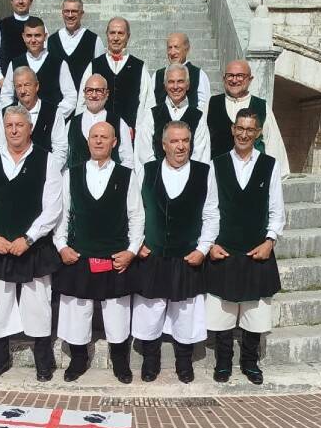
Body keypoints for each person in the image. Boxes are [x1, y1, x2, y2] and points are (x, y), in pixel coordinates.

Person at [53, 122, 144, 385]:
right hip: (79, 254)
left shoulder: (127, 175)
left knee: (116, 312)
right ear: (88, 141)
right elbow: (63, 214)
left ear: (115, 142)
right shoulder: (72, 174)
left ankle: (120, 360)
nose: (99, 141)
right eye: (95, 136)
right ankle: (78, 359)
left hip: (115, 255)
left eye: (105, 137)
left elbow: (136, 217)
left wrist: (131, 251)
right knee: (76, 311)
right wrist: (61, 246)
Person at [0, 106, 63, 382]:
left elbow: (53, 206)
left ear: (29, 127)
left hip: (34, 245)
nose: (14, 130)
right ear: (3, 128)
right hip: (0, 244)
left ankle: (43, 360)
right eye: (9, 126)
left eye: (20, 125)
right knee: (0, 304)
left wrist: (29, 237)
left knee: (38, 303)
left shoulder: (46, 159)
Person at [134, 121, 218, 383]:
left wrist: (203, 249)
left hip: (187, 254)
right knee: (151, 309)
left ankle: (184, 362)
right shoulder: (147, 170)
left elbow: (212, 214)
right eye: (175, 141)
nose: (181, 146)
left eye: (185, 141)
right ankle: (150, 360)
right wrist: (137, 243)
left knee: (186, 311)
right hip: (153, 252)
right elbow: (134, 211)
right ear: (163, 145)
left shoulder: (205, 172)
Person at [207, 108, 285, 386]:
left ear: (258, 133)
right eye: (240, 128)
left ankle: (250, 363)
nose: (243, 133)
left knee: (255, 312)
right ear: (232, 129)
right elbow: (209, 209)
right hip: (224, 248)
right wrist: (210, 244)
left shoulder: (269, 165)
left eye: (250, 129)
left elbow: (276, 209)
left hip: (257, 250)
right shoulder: (215, 164)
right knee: (222, 312)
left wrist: (270, 240)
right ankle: (223, 362)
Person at [206, 60, 289, 177]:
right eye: (230, 76)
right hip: (219, 176)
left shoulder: (261, 107)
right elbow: (202, 142)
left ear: (250, 79)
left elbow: (273, 143)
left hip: (253, 176)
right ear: (224, 78)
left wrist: (277, 176)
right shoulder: (211, 104)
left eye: (240, 76)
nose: (234, 80)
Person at [77, 17, 153, 132]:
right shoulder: (94, 65)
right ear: (107, 35)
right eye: (112, 33)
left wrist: (139, 131)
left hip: (129, 135)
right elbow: (82, 102)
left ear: (128, 36)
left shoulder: (139, 66)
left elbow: (147, 103)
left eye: (121, 33)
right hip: (98, 136)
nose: (116, 38)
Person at [0, 17, 78, 118]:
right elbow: (6, 95)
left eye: (37, 35)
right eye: (29, 36)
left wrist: (54, 117)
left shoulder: (59, 63)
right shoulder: (14, 63)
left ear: (45, 36)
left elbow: (70, 97)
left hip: (49, 125)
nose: (33, 40)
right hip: (21, 124)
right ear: (23, 37)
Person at [137, 64, 211, 166]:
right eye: (171, 82)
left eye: (180, 81)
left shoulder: (198, 116)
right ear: (165, 85)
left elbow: (200, 155)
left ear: (188, 85)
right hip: (158, 178)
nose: (175, 87)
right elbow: (144, 152)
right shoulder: (152, 114)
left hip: (189, 178)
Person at [65, 73, 134, 169]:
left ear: (107, 93)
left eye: (98, 91)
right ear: (84, 93)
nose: (93, 95)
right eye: (89, 90)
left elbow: (128, 160)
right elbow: (64, 159)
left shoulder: (119, 123)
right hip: (78, 182)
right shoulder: (71, 124)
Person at [47, 0, 106, 92]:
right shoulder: (51, 41)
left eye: (74, 11)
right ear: (62, 13)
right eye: (66, 11)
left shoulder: (94, 40)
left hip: (84, 100)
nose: (70, 15)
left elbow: (100, 72)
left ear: (81, 14)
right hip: (58, 101)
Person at [11, 66, 68, 164]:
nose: (23, 91)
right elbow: (0, 148)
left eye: (27, 85)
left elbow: (60, 150)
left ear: (36, 86)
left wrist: (47, 173)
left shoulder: (53, 112)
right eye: (19, 86)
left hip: (46, 174)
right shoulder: (6, 113)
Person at [152, 32, 211, 109]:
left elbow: (205, 106)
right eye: (170, 48)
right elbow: (151, 104)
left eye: (176, 47)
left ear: (186, 49)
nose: (172, 52)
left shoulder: (199, 74)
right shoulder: (157, 75)